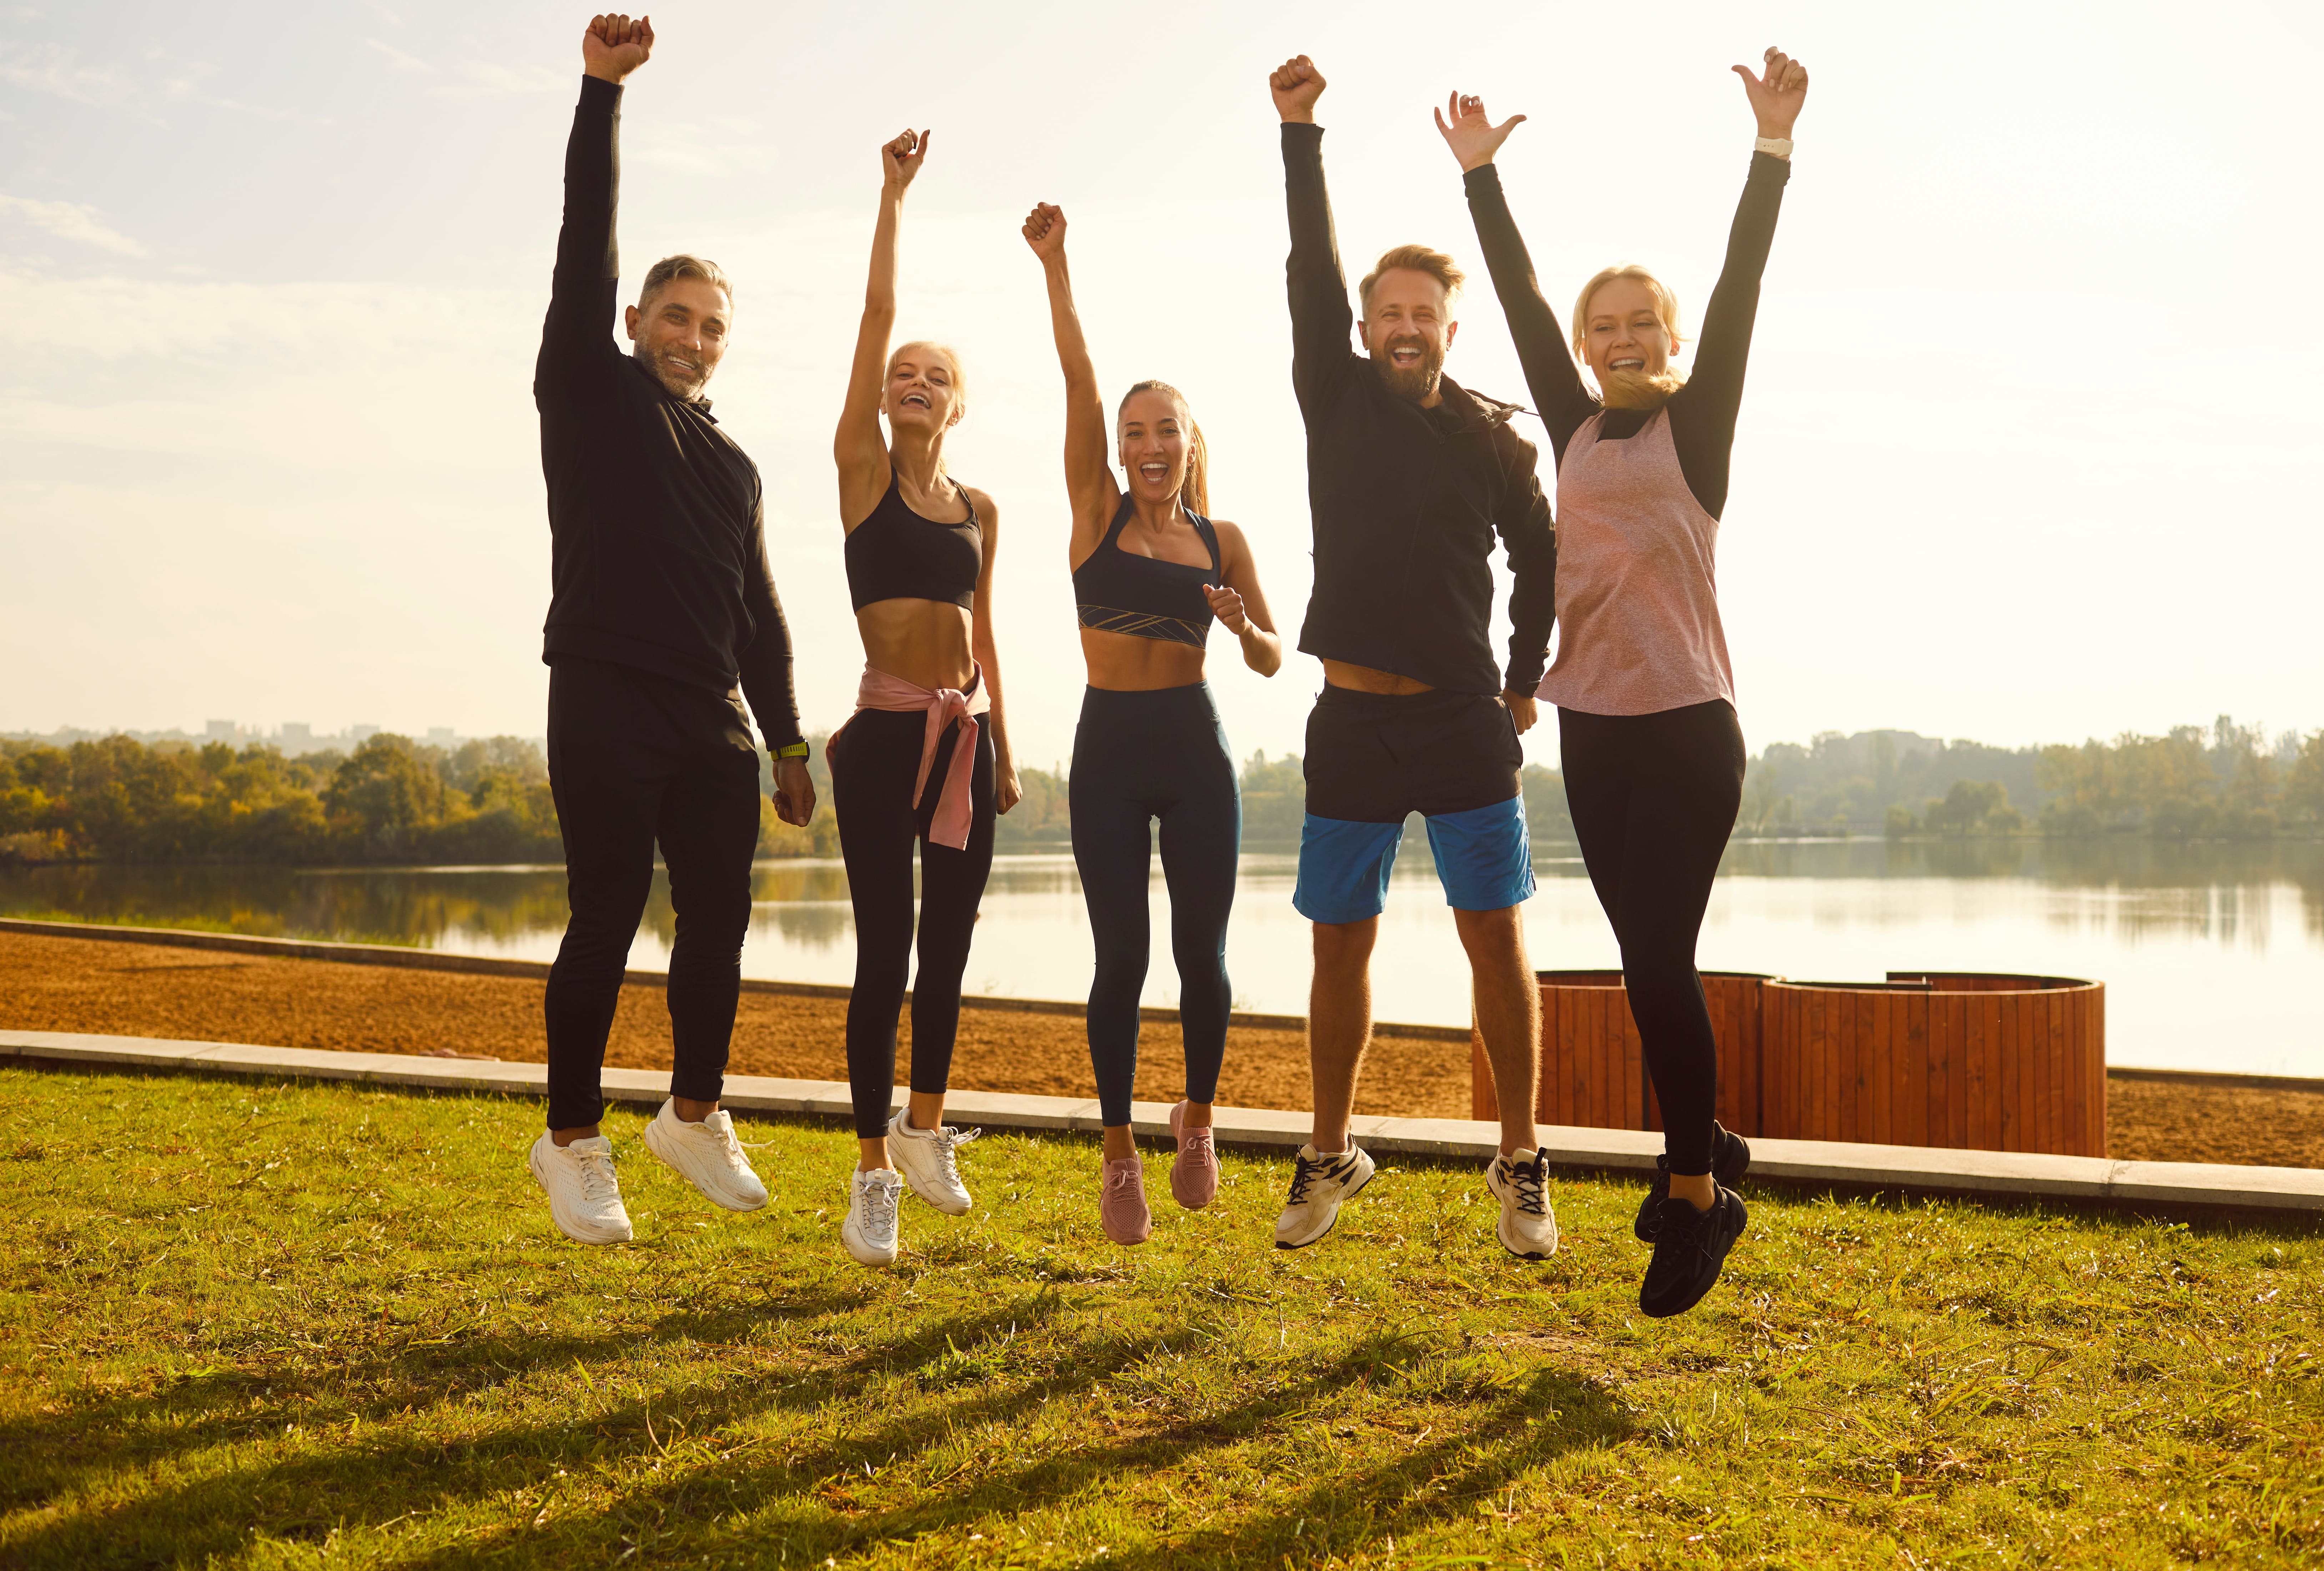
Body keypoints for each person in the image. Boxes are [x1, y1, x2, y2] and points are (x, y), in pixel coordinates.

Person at [1435, 46, 1811, 1317]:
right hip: (1591, 727)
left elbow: (1743, 281)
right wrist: (1483, 179)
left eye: (1640, 323)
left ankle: (1698, 1196)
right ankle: (1706, 1151)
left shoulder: (1697, 429)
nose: (1616, 339)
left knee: (1657, 960)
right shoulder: (1576, 425)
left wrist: (1771, 147)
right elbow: (1525, 301)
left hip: (1693, 728)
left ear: (1670, 338)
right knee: (1650, 958)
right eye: (1605, 329)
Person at [527, 13, 816, 1246]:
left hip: (716, 720)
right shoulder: (589, 391)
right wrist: (601, 98)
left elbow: (762, 611)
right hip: (602, 688)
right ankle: (573, 1136)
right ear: (641, 318)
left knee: (722, 916)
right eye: (677, 315)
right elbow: (582, 248)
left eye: (713, 326)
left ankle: (692, 1114)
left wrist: (792, 742)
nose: (692, 337)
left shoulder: (738, 465)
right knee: (604, 913)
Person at [1266, 56, 1561, 1261]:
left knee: (1495, 933)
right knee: (1343, 940)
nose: (1400, 326)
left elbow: (1544, 558)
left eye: (1419, 313)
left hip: (1461, 721)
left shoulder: (1494, 439)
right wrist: (1302, 134)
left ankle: (1521, 1159)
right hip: (1349, 720)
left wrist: (1525, 677)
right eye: (1384, 311)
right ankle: (1329, 1150)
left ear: (1448, 326)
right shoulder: (1332, 398)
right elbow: (1306, 270)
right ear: (1365, 326)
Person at [1020, 201, 1284, 1246]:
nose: (1147, 444)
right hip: (1109, 748)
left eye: (1165, 428)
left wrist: (1240, 622)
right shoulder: (1097, 514)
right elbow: (1078, 381)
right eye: (1135, 432)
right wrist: (1057, 268)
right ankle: (1121, 1146)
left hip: (1195, 744)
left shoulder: (1224, 539)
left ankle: (1201, 1117)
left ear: (1190, 442)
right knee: (1121, 958)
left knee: (1203, 955)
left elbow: (1270, 657)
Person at [829, 126, 1021, 1268]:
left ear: (958, 405)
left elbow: (988, 629)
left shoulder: (981, 509)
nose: (912, 384)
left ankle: (928, 1126)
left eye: (933, 378)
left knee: (948, 948)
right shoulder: (861, 474)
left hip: (965, 731)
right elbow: (870, 320)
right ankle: (868, 1174)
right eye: (905, 375)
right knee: (884, 952)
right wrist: (892, 196)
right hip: (884, 732)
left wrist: (1003, 742)